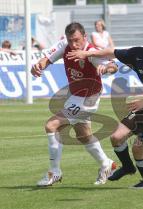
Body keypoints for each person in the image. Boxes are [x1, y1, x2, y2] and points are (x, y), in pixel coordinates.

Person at [66, 18, 143, 188]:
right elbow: (112, 52)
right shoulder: (138, 54)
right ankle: (127, 167)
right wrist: (87, 53)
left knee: (137, 148)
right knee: (116, 137)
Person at [31, 22, 118, 187]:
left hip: (88, 98)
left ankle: (54, 172)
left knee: (52, 126)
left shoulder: (91, 52)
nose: (73, 44)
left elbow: (113, 65)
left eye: (77, 40)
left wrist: (106, 69)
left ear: (84, 37)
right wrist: (38, 66)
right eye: (71, 40)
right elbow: (47, 59)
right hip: (74, 96)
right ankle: (107, 164)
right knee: (83, 135)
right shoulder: (65, 45)